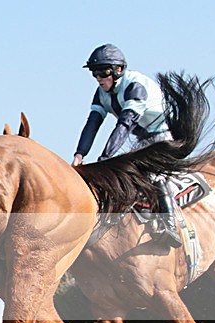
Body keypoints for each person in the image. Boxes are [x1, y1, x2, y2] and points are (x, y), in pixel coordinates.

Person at [72, 44, 181, 248]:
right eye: (94, 73)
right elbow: (92, 123)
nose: (98, 78)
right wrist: (79, 154)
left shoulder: (135, 86)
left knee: (154, 176)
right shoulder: (101, 92)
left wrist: (105, 158)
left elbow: (124, 124)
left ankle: (170, 225)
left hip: (161, 139)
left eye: (103, 72)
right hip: (141, 140)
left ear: (118, 70)